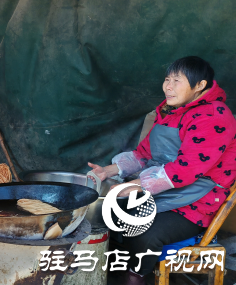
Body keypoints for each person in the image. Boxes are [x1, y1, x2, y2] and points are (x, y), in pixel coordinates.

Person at [88, 56, 236, 285]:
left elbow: (185, 169)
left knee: (142, 231)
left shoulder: (214, 115)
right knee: (107, 216)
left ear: (200, 85)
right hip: (166, 192)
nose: (168, 86)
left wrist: (134, 186)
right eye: (167, 79)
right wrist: (107, 171)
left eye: (177, 80)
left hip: (197, 201)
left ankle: (136, 278)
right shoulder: (171, 113)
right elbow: (142, 155)